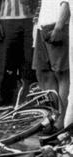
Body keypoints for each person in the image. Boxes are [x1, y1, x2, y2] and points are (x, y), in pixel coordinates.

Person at [0, 0, 36, 105]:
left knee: (30, 63)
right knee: (6, 64)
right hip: (7, 20)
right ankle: (4, 103)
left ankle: (28, 102)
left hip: (32, 19)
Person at [33, 0, 70, 129]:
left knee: (61, 74)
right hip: (42, 25)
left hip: (57, 25)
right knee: (44, 73)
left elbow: (66, 3)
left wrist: (59, 27)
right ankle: (53, 117)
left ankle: (62, 120)